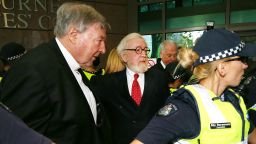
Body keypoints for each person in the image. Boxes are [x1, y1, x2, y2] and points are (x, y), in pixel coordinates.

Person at [0, 2, 111, 144]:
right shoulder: (33, 70)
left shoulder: (71, 66)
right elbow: (16, 136)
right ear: (73, 35)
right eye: (99, 40)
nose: (103, 49)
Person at [131, 29, 256, 144]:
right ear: (222, 68)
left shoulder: (235, 99)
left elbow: (249, 135)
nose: (246, 65)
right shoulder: (187, 106)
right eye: (243, 59)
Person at [91, 33, 170, 144]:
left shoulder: (159, 78)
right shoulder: (106, 83)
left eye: (145, 50)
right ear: (124, 56)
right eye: (138, 50)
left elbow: (167, 113)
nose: (143, 54)